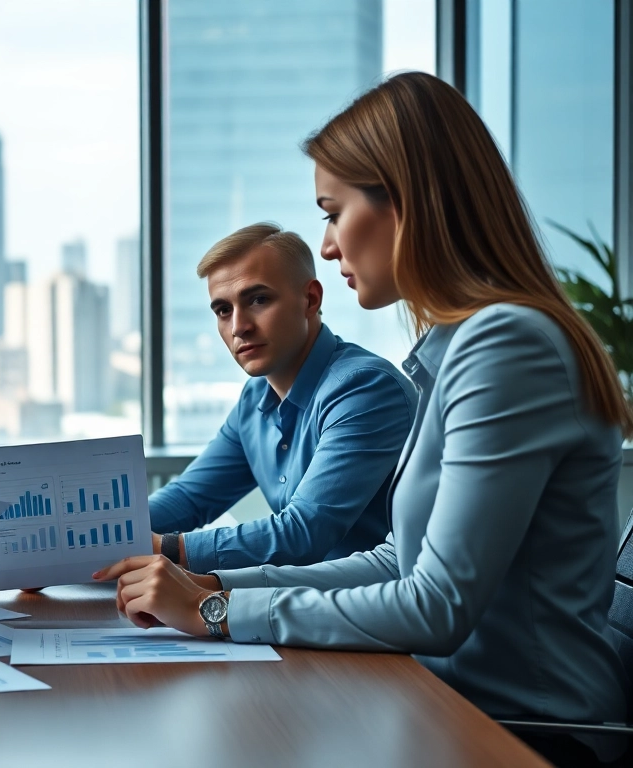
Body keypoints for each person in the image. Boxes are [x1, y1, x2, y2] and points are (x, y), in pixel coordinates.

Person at [97, 72, 633, 765]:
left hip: (525, 734)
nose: (327, 244)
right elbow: (394, 560)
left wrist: (212, 612)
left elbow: (436, 605)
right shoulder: (457, 348)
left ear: (406, 202)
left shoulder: (507, 347)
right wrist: (217, 587)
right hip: (445, 703)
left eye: (333, 212)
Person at [148, 222, 416, 573]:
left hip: (378, 602)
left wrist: (165, 548)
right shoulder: (255, 399)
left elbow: (304, 532)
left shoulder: (364, 388)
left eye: (258, 299)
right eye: (223, 310)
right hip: (297, 599)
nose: (238, 327)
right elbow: (189, 498)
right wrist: (101, 533)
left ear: (311, 300)